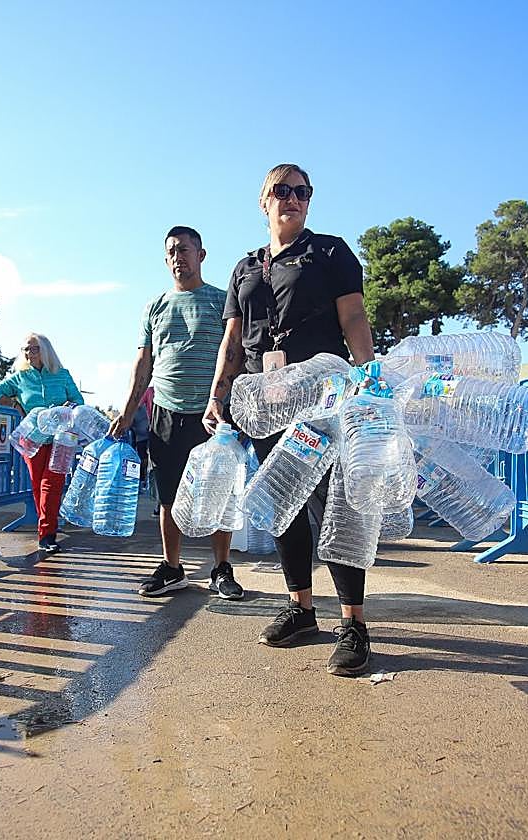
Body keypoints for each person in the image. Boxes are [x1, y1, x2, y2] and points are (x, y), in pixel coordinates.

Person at [203, 163, 377, 675]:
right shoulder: (244, 269)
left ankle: (354, 624)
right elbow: (233, 343)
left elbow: (353, 318)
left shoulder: (330, 252)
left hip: (321, 399)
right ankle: (302, 608)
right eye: (281, 190)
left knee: (333, 505)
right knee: (283, 504)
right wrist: (218, 395)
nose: (292, 199)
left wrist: (369, 381)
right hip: (265, 404)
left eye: (302, 192)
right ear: (263, 201)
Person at [109, 226, 243, 600]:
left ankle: (221, 568)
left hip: (213, 414)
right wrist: (126, 411)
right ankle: (173, 568)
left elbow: (236, 352)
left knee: (218, 491)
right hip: (165, 411)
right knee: (167, 494)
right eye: (171, 252)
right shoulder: (155, 306)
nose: (177, 257)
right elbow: (143, 364)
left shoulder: (221, 301)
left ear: (201, 255)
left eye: (184, 249)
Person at [0, 333, 84, 553]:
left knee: (52, 484)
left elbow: (79, 401)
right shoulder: (20, 377)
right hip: (32, 438)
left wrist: (67, 408)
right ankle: (46, 529)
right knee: (38, 485)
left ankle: (47, 535)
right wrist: (15, 405)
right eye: (25, 349)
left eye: (33, 348)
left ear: (45, 350)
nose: (28, 353)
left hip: (62, 439)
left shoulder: (62, 374)